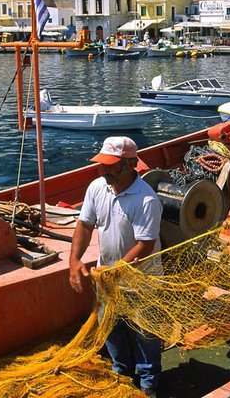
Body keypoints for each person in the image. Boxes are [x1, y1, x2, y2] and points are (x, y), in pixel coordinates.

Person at [69, 136, 163, 397]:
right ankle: (121, 371)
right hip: (108, 278)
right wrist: (74, 260)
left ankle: (148, 382)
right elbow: (85, 225)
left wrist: (114, 271)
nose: (106, 170)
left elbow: (144, 246)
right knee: (110, 327)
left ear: (131, 164)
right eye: (103, 165)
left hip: (142, 283)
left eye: (112, 165)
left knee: (146, 332)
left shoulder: (146, 201)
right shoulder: (96, 188)